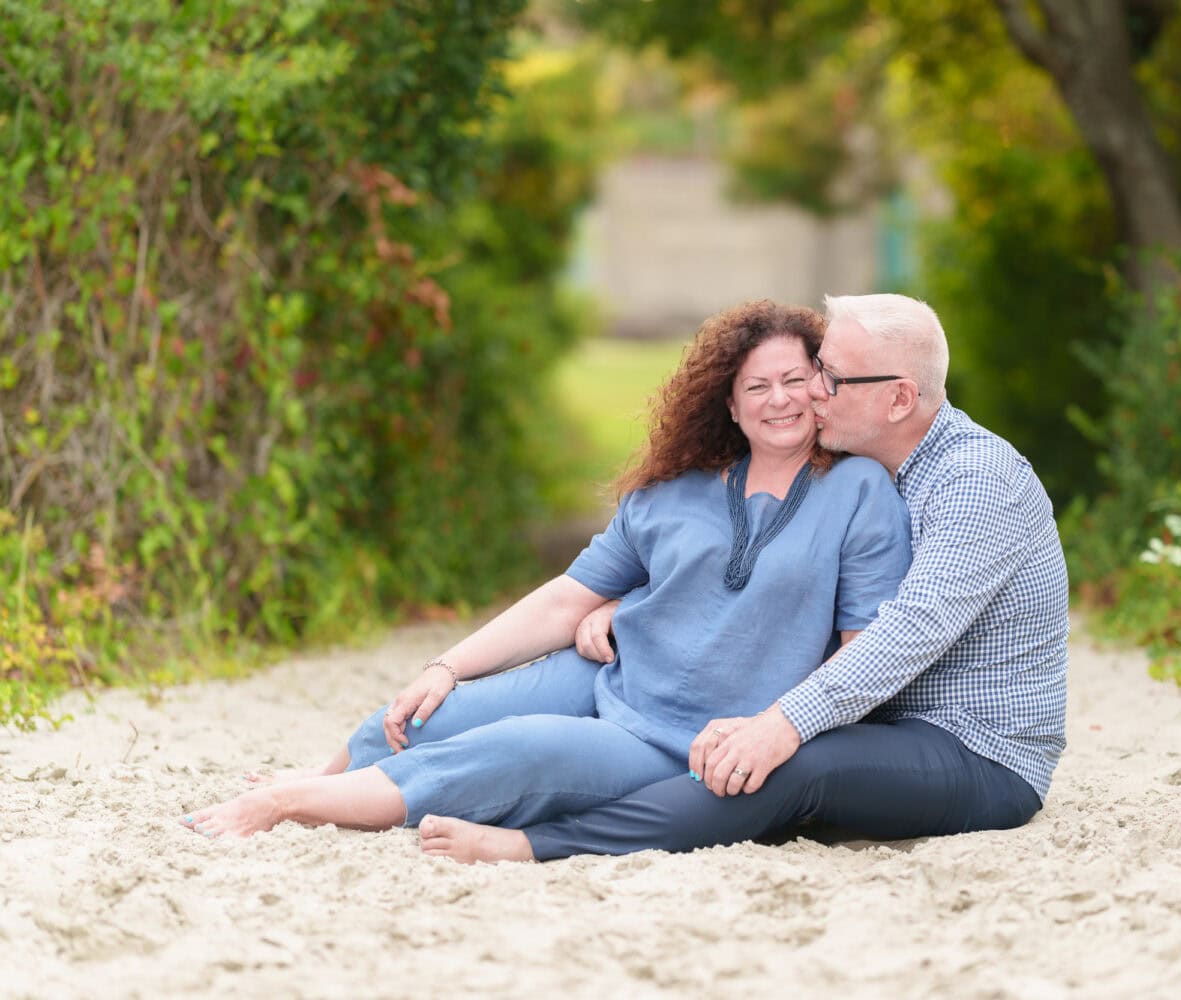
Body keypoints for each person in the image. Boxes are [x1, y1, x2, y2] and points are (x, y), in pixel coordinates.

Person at [179, 300, 911, 839]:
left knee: (510, 753)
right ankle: (323, 776)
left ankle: (283, 804)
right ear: (729, 401)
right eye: (758, 387)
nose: (779, 400)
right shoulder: (674, 492)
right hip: (607, 679)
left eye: (795, 380)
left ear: (822, 387)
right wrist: (445, 665)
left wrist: (777, 729)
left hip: (671, 740)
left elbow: (860, 652)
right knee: (431, 712)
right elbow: (568, 599)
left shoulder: (858, 492)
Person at [413, 293, 1069, 864]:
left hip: (977, 751)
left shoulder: (977, 482)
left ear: (900, 398)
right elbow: (799, 587)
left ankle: (540, 846)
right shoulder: (877, 471)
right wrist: (630, 602)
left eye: (831, 379)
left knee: (781, 766)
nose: (812, 392)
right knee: (742, 744)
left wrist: (780, 724)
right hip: (882, 728)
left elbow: (904, 634)